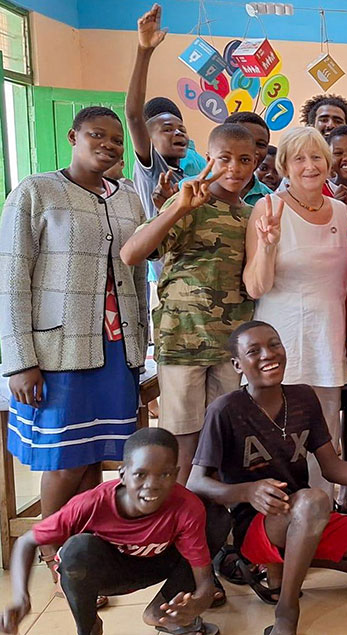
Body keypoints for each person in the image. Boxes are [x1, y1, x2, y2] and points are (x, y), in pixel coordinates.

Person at [0, 107, 147, 603]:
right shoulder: (36, 192)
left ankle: (85, 550)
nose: (107, 145)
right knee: (63, 461)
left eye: (115, 140)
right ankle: (53, 552)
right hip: (57, 349)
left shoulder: (127, 196)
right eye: (96, 136)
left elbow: (140, 267)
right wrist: (19, 359)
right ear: (73, 136)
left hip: (116, 346)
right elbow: (12, 278)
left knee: (95, 460)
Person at [189, 321, 347, 635]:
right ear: (237, 364)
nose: (268, 354)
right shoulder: (225, 410)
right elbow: (196, 482)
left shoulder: (303, 398)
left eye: (274, 344)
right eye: (254, 351)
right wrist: (247, 491)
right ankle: (286, 612)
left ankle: (291, 562)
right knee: (316, 498)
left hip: (307, 517)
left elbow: (331, 466)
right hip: (257, 524)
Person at [120, 124, 258, 485]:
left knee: (223, 439)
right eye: (224, 158)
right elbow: (131, 253)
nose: (235, 168)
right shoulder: (189, 202)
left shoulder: (251, 215)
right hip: (182, 340)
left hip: (231, 345)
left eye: (245, 160)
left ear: (256, 162)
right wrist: (177, 208)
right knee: (182, 440)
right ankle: (175, 525)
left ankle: (215, 527)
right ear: (208, 158)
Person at [0, 429, 222, 635]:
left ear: (175, 475)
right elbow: (26, 542)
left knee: (217, 518)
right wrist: (21, 598)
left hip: (160, 563)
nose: (151, 485)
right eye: (140, 475)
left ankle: (160, 612)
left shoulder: (186, 506)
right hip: (111, 573)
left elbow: (204, 583)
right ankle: (89, 627)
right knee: (76, 550)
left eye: (164, 475)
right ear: (123, 475)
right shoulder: (92, 504)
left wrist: (198, 602)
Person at [243, 126, 347, 498]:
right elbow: (255, 287)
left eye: (317, 157)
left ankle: (322, 513)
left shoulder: (340, 209)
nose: (310, 166)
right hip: (280, 339)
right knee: (274, 434)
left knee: (324, 435)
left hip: (327, 339)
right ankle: (275, 518)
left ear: (329, 162)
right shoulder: (268, 208)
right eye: (299, 158)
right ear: (285, 166)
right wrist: (269, 246)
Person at [126, 5, 189, 223]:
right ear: (149, 138)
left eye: (182, 129)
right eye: (168, 129)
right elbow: (134, 116)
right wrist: (144, 51)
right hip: (160, 257)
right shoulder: (153, 169)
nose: (178, 133)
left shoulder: (184, 177)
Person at [225, 112, 275, 206]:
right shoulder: (194, 190)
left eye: (260, 144)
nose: (253, 150)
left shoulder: (271, 202)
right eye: (245, 141)